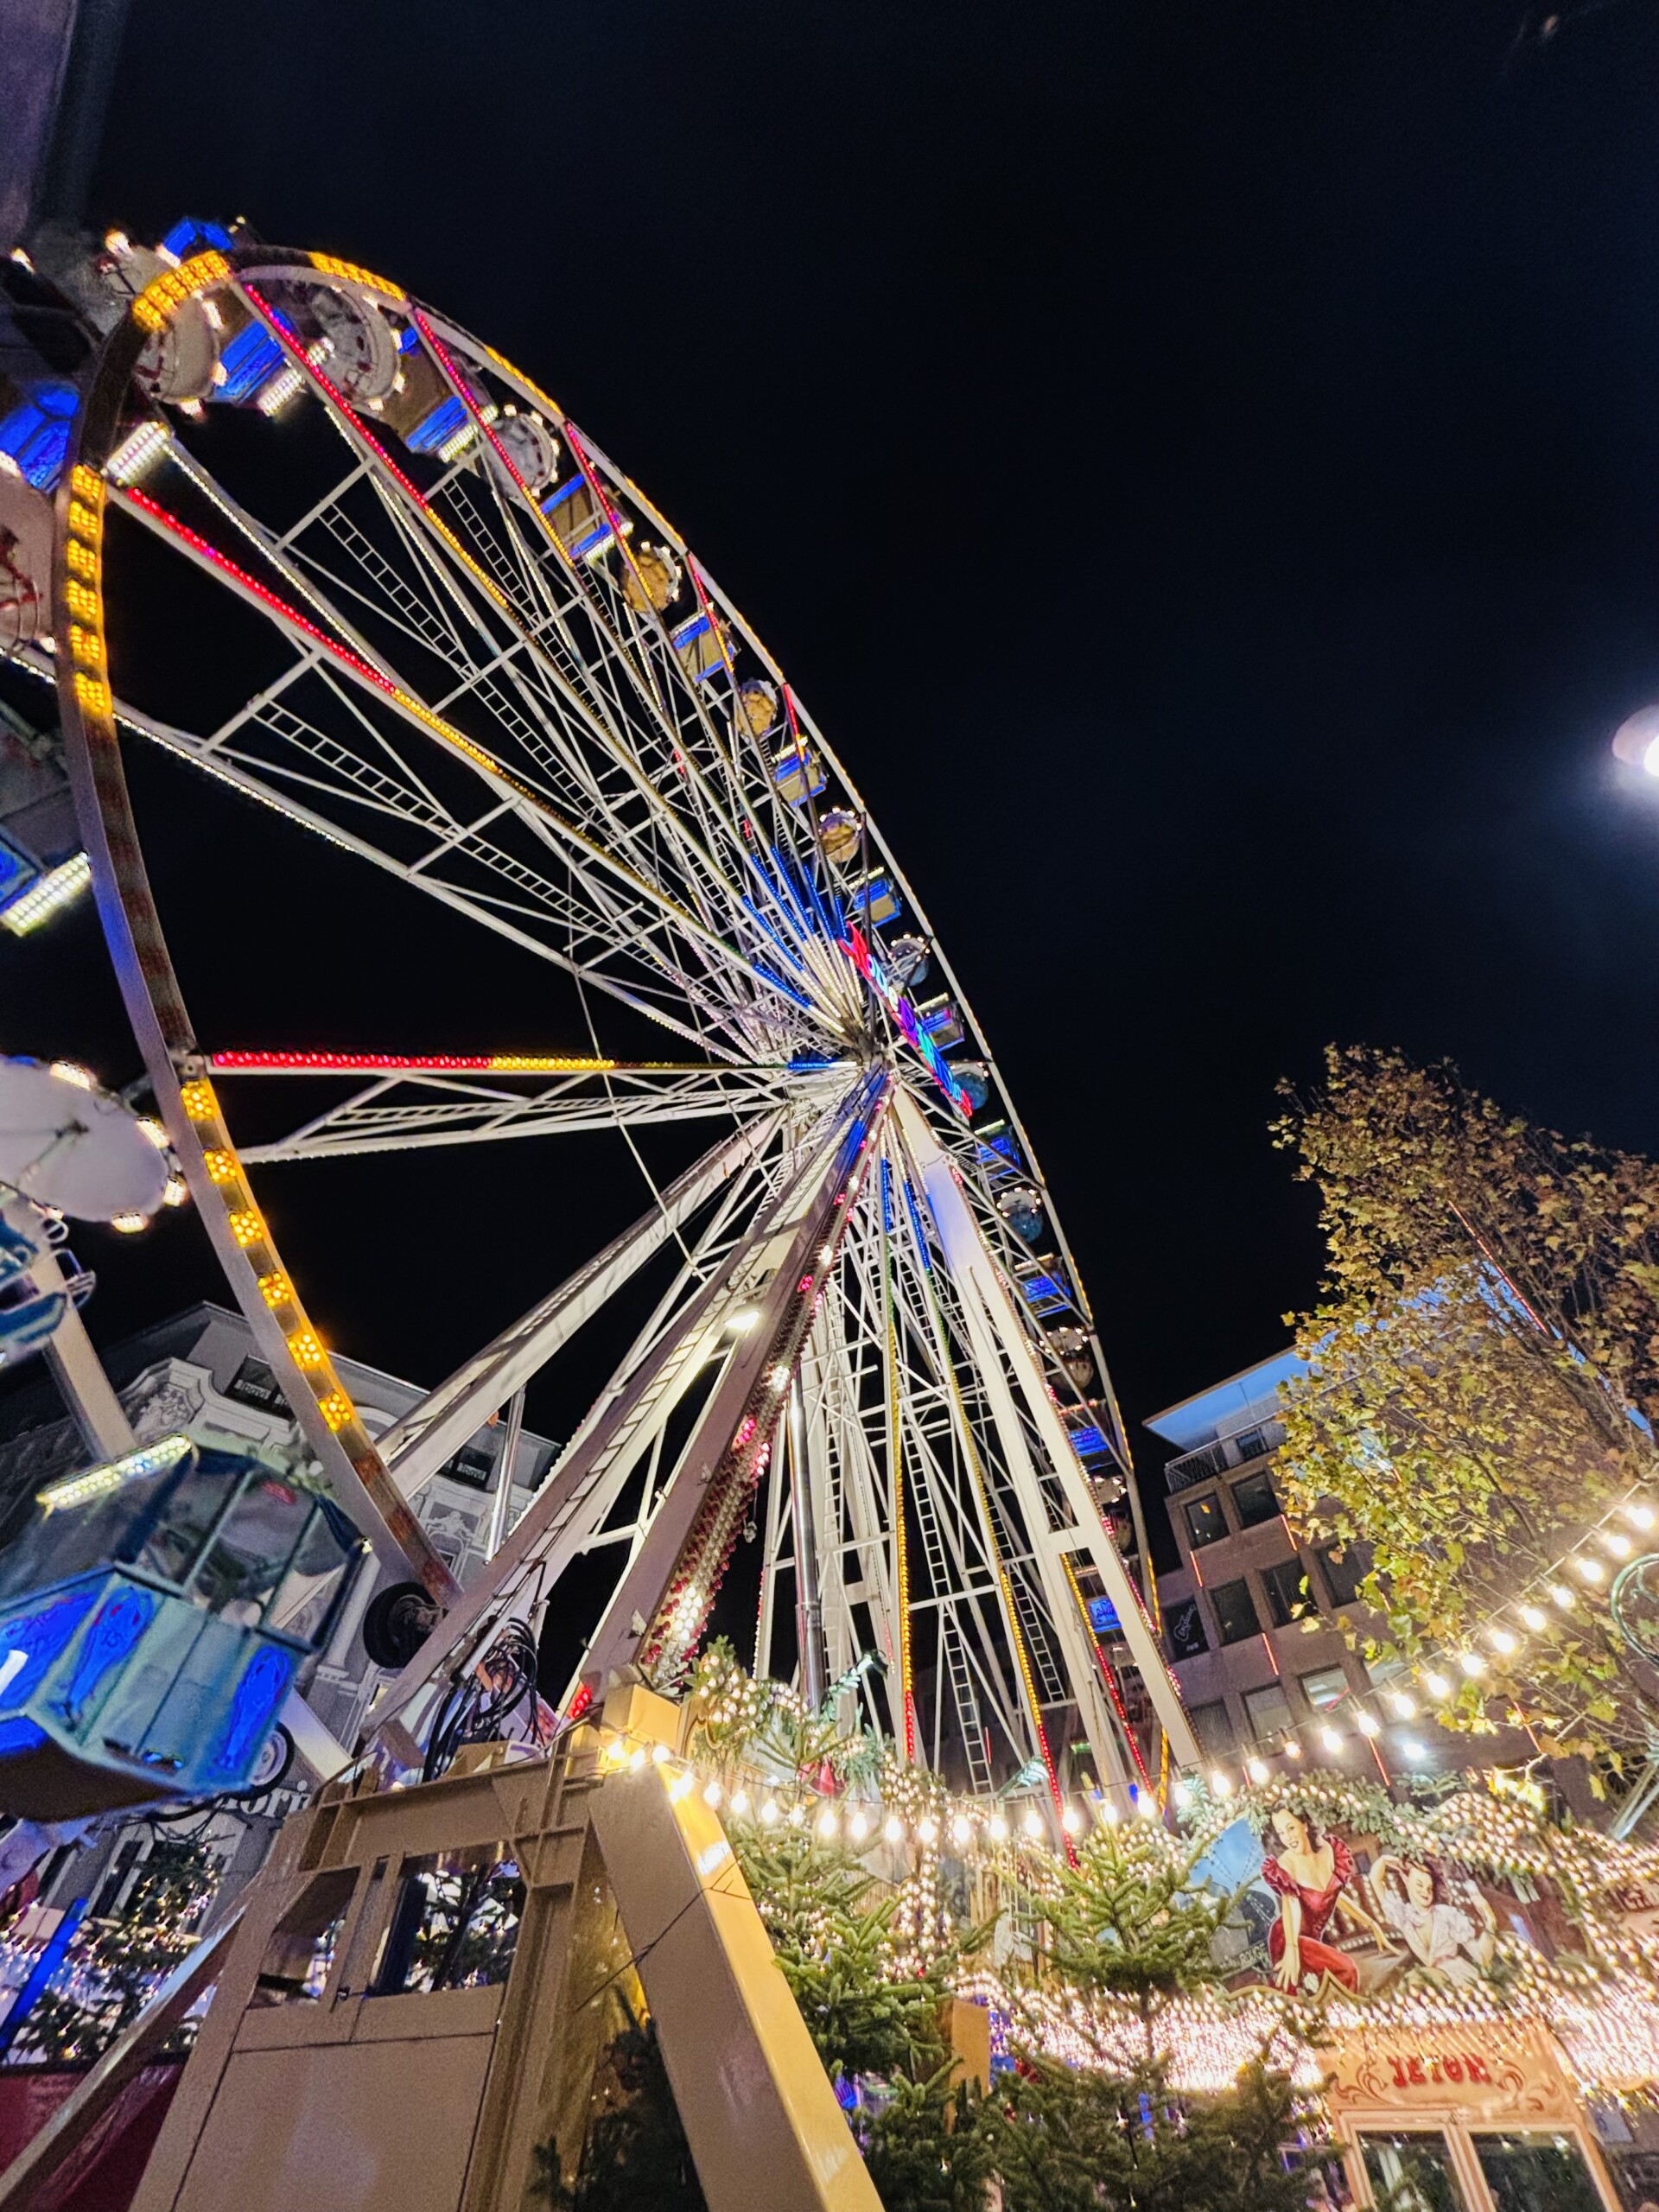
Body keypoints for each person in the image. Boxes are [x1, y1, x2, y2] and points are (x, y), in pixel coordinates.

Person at [1261, 1806, 1393, 1995]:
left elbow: (1334, 1895)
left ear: (1304, 1825)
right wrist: (1291, 1948)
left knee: (1321, 1991)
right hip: (1289, 1937)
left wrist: (1371, 1923)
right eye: (1281, 1833)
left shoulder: (1330, 1851)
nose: (1288, 1838)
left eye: (1291, 1828)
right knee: (1346, 1970)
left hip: (1312, 1940)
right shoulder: (1286, 1864)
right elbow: (1291, 1905)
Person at [1370, 1854, 1497, 1985]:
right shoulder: (1404, 1917)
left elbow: (1482, 1957)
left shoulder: (1446, 1914)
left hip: (1459, 1976)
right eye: (1419, 1885)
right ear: (1406, 1879)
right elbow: (1375, 1879)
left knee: (1414, 1977)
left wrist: (1490, 1920)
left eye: (1429, 1888)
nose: (1425, 1892)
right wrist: (1385, 1860)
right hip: (1433, 1986)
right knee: (1414, 1980)